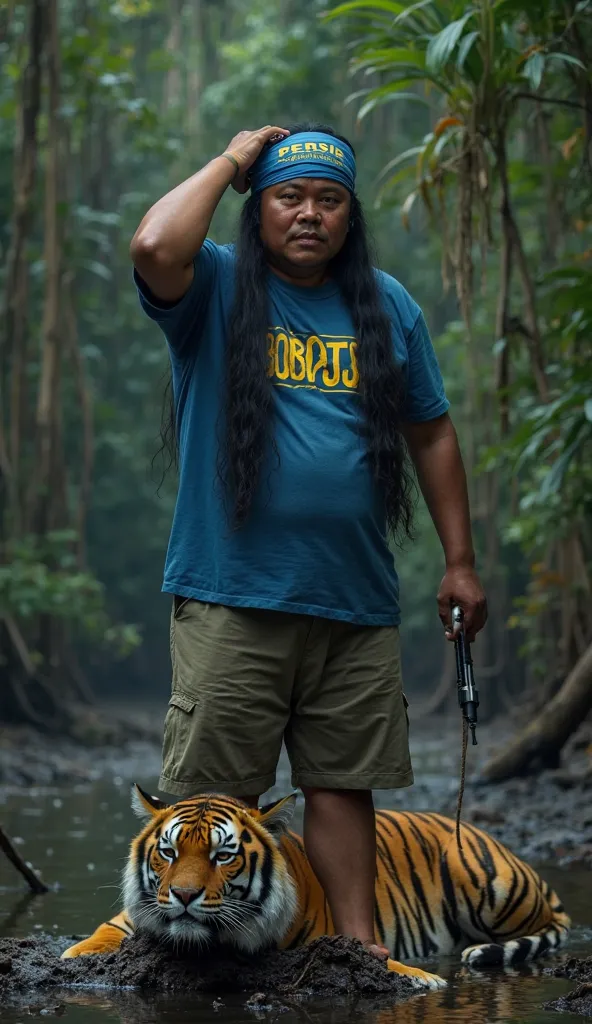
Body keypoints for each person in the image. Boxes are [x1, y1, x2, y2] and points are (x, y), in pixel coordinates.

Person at [130, 121, 487, 963]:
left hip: (354, 598)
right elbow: (151, 244)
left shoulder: (389, 305)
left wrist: (460, 562)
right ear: (258, 209)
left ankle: (356, 958)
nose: (309, 214)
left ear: (350, 216)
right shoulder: (215, 288)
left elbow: (431, 433)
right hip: (233, 594)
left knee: (342, 785)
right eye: (289, 196)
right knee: (217, 799)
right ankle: (202, 964)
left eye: (330, 201)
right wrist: (231, 160)